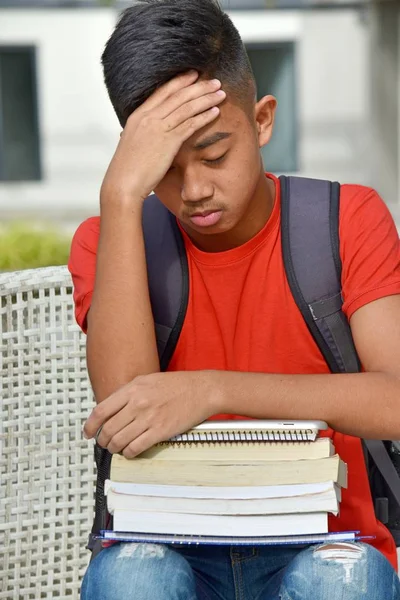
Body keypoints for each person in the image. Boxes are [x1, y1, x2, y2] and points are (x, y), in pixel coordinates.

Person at [68, 0, 400, 598]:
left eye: (215, 155)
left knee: (338, 583)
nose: (195, 190)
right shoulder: (109, 241)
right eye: (165, 167)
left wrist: (214, 388)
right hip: (166, 547)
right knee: (133, 577)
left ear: (263, 120)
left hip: (326, 544)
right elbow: (125, 409)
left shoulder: (346, 219)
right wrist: (120, 195)